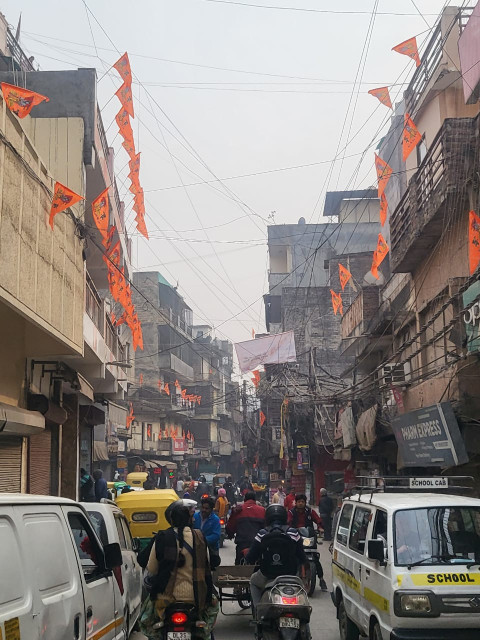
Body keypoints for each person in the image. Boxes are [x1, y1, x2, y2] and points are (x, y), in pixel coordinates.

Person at [142, 503, 217, 638]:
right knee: (211, 615)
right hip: (196, 598)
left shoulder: (162, 537)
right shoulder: (199, 537)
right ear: (189, 519)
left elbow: (151, 568)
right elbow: (209, 563)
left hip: (165, 599)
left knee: (147, 621)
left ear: (171, 520)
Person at [245, 504, 308, 610]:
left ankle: (257, 611)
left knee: (253, 582)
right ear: (284, 517)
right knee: (302, 596)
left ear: (267, 517)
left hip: (266, 575)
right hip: (291, 575)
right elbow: (302, 557)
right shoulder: (293, 533)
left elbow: (251, 557)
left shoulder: (262, 534)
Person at [288, 494, 327, 591]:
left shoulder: (310, 511)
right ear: (296, 503)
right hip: (296, 538)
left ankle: (321, 580)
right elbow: (288, 522)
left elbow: (318, 520)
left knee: (315, 559)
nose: (301, 503)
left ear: (305, 503)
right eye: (299, 502)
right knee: (291, 557)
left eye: (302, 501)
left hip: (308, 537)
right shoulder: (291, 512)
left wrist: (320, 527)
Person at [226, 490, 265, 564]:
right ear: (255, 500)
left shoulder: (238, 510)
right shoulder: (262, 510)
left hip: (242, 544)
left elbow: (230, 527)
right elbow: (266, 528)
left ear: (244, 499)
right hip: (258, 545)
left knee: (239, 569)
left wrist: (230, 534)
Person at [193, 497, 221, 568]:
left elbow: (216, 535)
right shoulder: (194, 517)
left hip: (211, 548)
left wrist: (202, 540)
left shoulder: (215, 520)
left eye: (206, 508)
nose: (204, 510)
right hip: (196, 547)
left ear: (211, 509)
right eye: (203, 508)